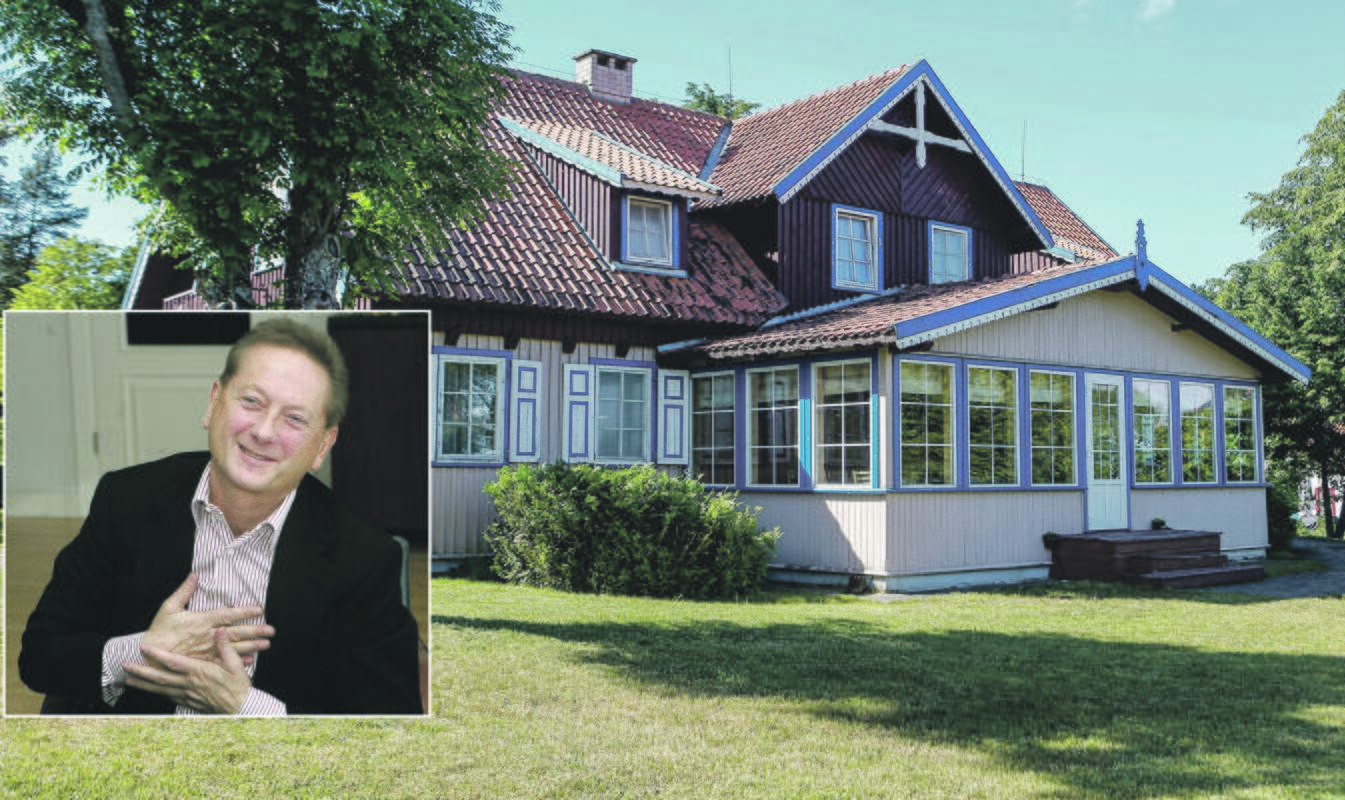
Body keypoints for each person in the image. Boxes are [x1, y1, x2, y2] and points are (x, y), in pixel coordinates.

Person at [19, 319, 422, 715]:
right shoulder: (126, 499)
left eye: (295, 419)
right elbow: (40, 654)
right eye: (252, 402)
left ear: (322, 446)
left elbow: (391, 720)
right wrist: (142, 652)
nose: (264, 431)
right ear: (213, 403)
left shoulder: (365, 558)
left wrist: (246, 707)